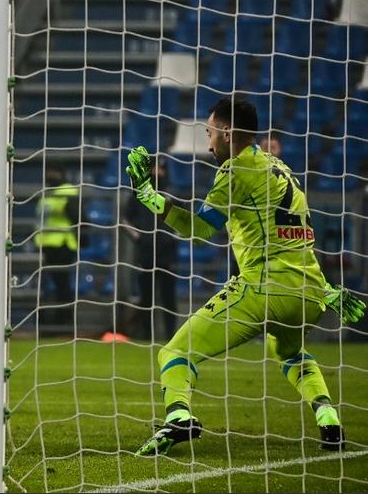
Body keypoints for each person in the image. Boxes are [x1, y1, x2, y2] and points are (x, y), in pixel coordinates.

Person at [125, 96, 364, 456]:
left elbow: (201, 228)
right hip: (311, 294)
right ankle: (327, 416)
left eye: (210, 133)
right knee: (289, 351)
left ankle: (178, 416)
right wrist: (327, 289)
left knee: (175, 352)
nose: (208, 144)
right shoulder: (281, 169)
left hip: (263, 289)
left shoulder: (235, 169)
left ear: (226, 132)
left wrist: (148, 196)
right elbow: (298, 237)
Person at [120, 160, 177, 340]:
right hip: (146, 255)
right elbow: (125, 220)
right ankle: (147, 336)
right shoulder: (138, 195)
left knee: (169, 298)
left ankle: (171, 335)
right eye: (154, 168)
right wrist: (140, 238)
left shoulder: (173, 195)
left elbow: (185, 221)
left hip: (168, 256)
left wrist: (171, 238)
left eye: (160, 168)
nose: (157, 172)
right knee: (146, 298)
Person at [34, 163, 80, 331]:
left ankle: (65, 322)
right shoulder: (48, 192)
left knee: (62, 284)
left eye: (54, 171)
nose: (50, 174)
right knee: (54, 285)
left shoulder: (66, 191)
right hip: (46, 244)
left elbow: (77, 215)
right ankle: (54, 321)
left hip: (62, 243)